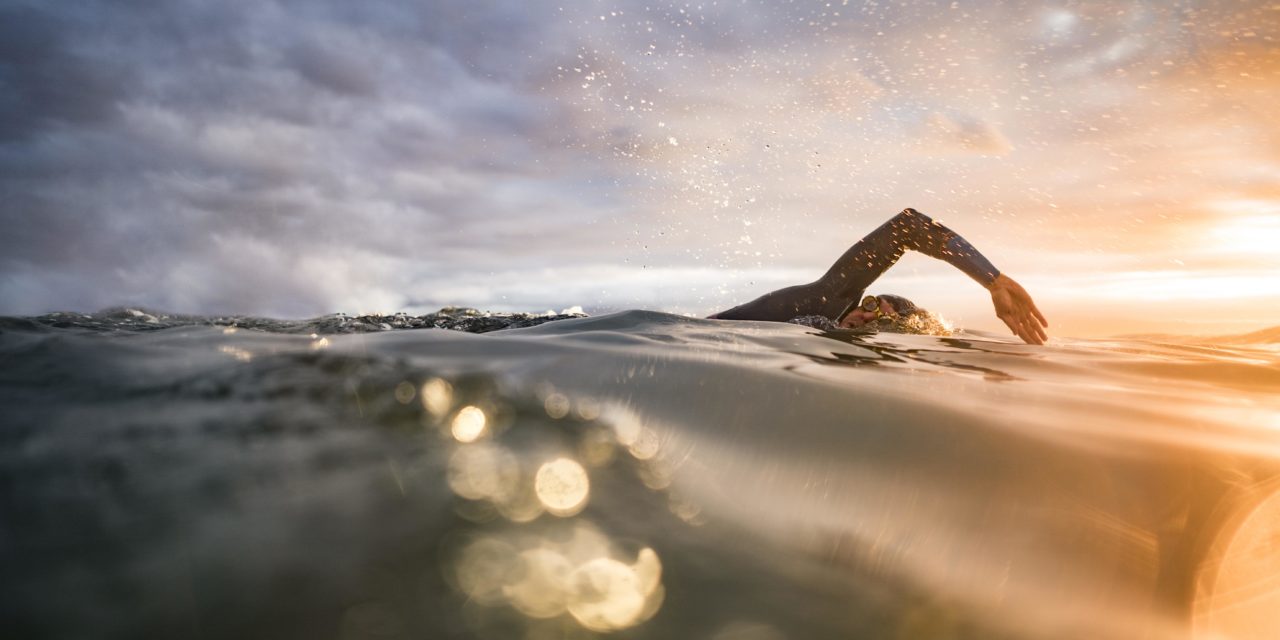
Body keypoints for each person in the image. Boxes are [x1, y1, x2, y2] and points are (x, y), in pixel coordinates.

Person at [708, 208, 1049, 345]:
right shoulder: (824, 304)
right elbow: (907, 227)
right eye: (870, 303)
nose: (867, 314)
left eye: (880, 317)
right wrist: (994, 280)